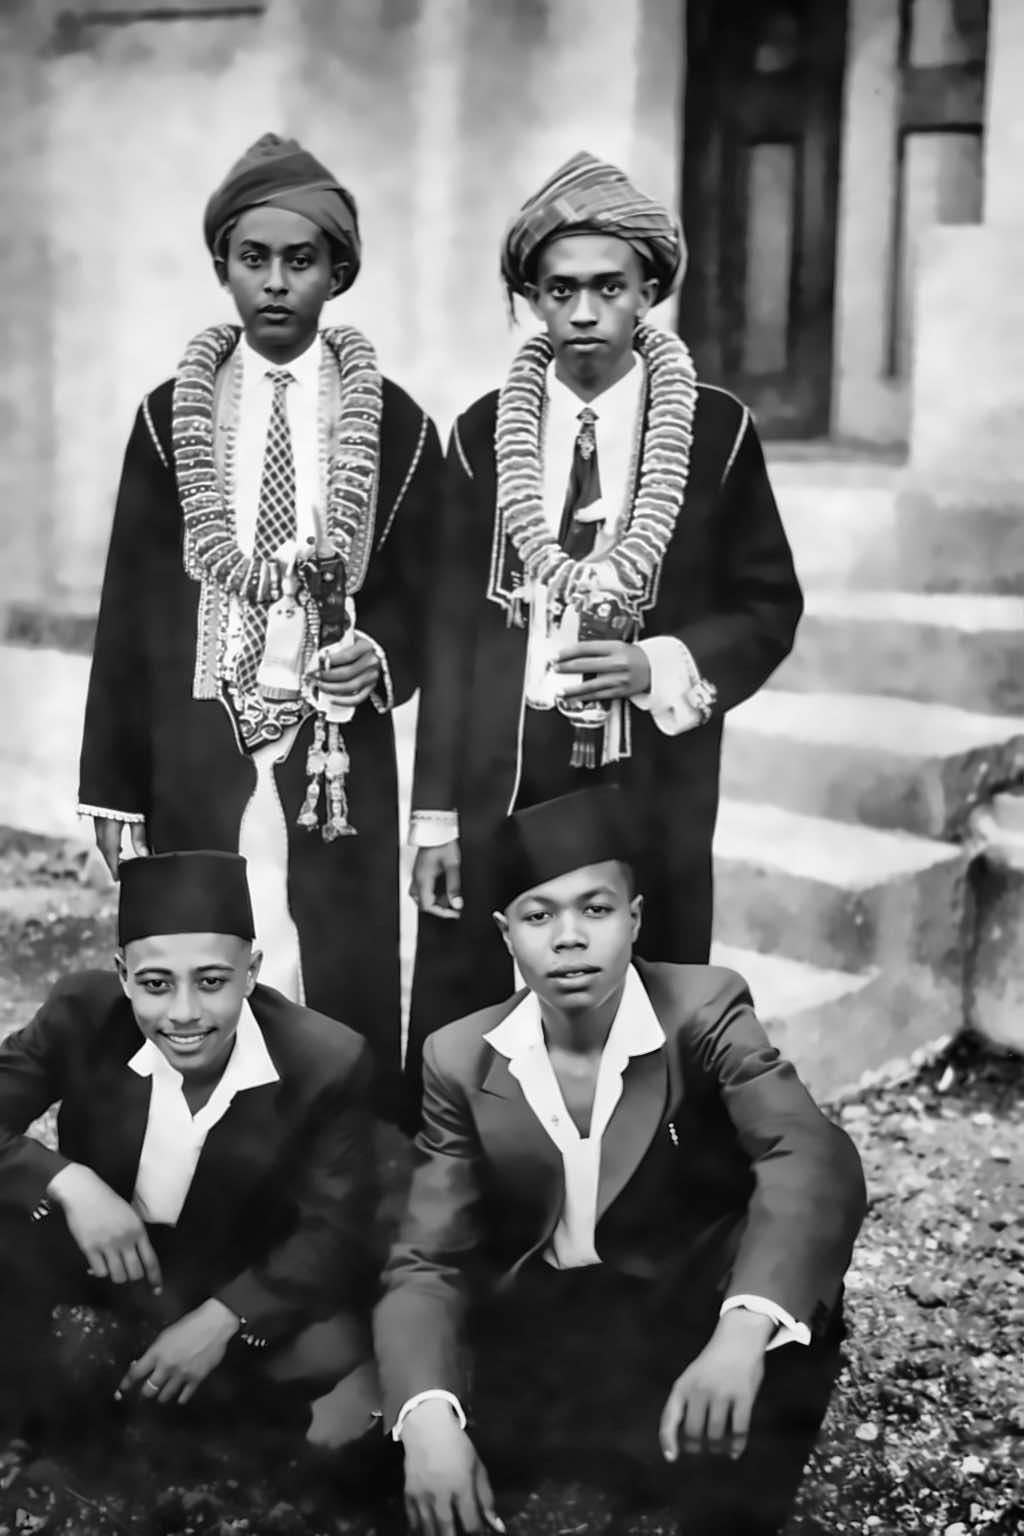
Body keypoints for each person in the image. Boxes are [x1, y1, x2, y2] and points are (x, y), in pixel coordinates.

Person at [405, 150, 803, 1110]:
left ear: (649, 293)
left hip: (648, 773)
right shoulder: (481, 434)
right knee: (472, 993)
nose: (584, 312)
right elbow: (450, 632)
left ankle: (639, 1179)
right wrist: (436, 820)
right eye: (560, 290)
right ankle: (465, 1174)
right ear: (531, 301)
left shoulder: (714, 432)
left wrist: (658, 663)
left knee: (646, 993)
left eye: (609, 288)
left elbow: (767, 605)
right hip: (505, 764)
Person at [375, 787, 866, 1536]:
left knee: (785, 1321)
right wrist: (428, 1418)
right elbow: (426, 1257)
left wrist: (741, 1332)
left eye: (596, 910)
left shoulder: (704, 1008)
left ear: (634, 919)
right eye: (539, 916)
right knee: (384, 1455)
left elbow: (808, 1151)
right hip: (553, 1327)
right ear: (506, 933)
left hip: (686, 1304)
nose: (569, 938)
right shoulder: (459, 1055)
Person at [78, 133, 442, 1115]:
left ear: (338, 272)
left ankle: (350, 1151)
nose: (276, 283)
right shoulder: (169, 420)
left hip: (335, 748)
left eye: (301, 260)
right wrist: (112, 787)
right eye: (254, 259)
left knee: (340, 955)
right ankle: (206, 1151)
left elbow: (425, 597)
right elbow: (127, 605)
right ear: (222, 268)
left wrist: (380, 656)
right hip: (197, 732)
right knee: (200, 950)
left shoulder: (397, 425)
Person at [0, 851, 379, 1451]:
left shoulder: (325, 1060)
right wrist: (71, 1183)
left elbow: (333, 1229)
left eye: (211, 982)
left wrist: (224, 1317)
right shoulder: (83, 1013)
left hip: (233, 1270)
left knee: (334, 1355)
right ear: (123, 975)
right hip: (104, 1256)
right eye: (155, 985)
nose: (183, 1014)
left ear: (251, 973)